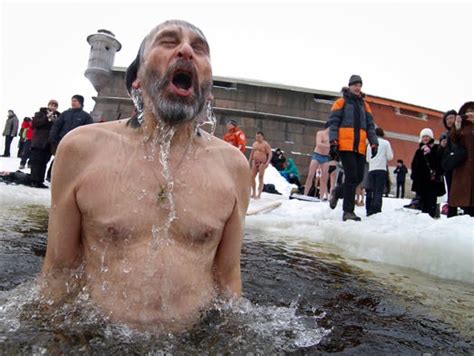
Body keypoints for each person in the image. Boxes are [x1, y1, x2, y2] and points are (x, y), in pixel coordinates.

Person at [40, 20, 251, 331]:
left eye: (199, 48)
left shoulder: (233, 166)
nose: (186, 50)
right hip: (102, 339)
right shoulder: (82, 150)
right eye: (168, 41)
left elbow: (228, 278)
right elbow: (59, 270)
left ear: (207, 88)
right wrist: (59, 340)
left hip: (189, 345)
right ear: (137, 79)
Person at [328, 75, 378, 221]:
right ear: (349, 86)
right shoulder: (341, 102)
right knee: (351, 176)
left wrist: (374, 143)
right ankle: (348, 211)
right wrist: (333, 142)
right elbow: (334, 123)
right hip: (345, 145)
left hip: (360, 147)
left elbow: (370, 126)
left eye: (359, 85)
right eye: (355, 85)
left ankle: (338, 192)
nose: (357, 88)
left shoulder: (365, 105)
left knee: (358, 178)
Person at [410, 128, 445, 218]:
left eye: (427, 136)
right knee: (422, 202)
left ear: (431, 137)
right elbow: (414, 164)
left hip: (432, 180)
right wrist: (414, 176)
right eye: (423, 136)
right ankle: (424, 220)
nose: (425, 138)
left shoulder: (436, 148)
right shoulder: (419, 150)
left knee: (431, 202)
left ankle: (432, 217)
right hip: (421, 181)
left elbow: (438, 163)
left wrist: (429, 154)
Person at [448, 101, 474, 216]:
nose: (470, 114)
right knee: (464, 199)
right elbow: (454, 140)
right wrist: (457, 125)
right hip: (463, 167)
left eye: (472, 111)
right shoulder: (461, 127)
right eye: (467, 112)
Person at [365, 127, 393, 216]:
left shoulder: (370, 144)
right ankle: (376, 209)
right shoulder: (386, 143)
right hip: (381, 169)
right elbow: (390, 156)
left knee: (370, 190)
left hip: (372, 169)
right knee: (378, 190)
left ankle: (368, 209)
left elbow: (368, 159)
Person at [438, 109, 458, 217]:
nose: (449, 120)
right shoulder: (444, 135)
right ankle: (452, 214)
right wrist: (441, 146)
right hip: (449, 168)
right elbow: (440, 154)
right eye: (447, 119)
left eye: (451, 118)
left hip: (462, 168)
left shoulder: (462, 132)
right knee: (451, 192)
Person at [304, 124, 330, 200]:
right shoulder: (320, 133)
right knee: (311, 174)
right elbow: (318, 144)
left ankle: (321, 197)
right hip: (317, 155)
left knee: (324, 178)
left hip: (325, 157)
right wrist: (329, 146)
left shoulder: (333, 137)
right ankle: (305, 194)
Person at [249, 131, 272, 199]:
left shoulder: (265, 144)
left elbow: (270, 154)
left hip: (262, 163)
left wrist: (267, 162)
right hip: (254, 161)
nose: (257, 138)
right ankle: (253, 193)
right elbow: (252, 153)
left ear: (262, 137)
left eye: (259, 137)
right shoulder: (255, 143)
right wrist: (249, 161)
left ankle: (259, 194)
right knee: (252, 177)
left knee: (260, 177)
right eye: (256, 137)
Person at [44, 99, 61, 182]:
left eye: (55, 106)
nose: (53, 107)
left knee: (55, 159)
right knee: (42, 160)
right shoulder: (41, 113)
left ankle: (50, 175)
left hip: (53, 141)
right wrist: (47, 117)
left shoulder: (59, 116)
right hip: (43, 140)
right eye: (51, 105)